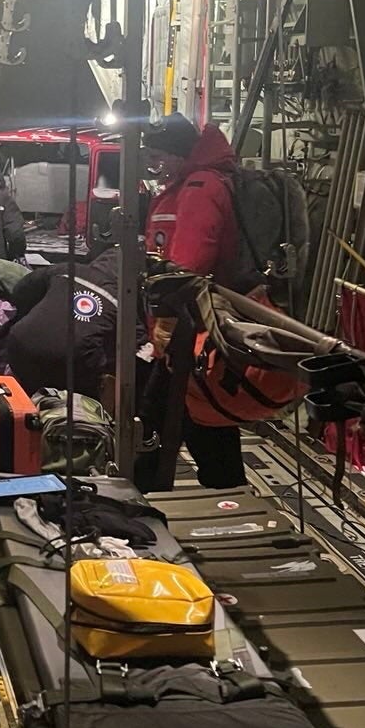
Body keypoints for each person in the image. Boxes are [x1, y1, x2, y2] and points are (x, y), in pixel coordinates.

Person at [136, 112, 246, 492]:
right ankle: (221, 489)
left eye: (158, 155)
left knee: (180, 415)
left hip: (192, 330)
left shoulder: (201, 187)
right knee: (193, 416)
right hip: (187, 328)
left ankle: (152, 490)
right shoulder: (189, 185)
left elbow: (186, 266)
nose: (153, 164)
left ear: (180, 153)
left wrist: (165, 322)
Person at [6, 245, 124, 399]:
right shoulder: (124, 300)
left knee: (18, 404)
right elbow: (137, 350)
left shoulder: (65, 270)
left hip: (20, 344)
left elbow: (21, 289)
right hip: (70, 367)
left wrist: (28, 314)